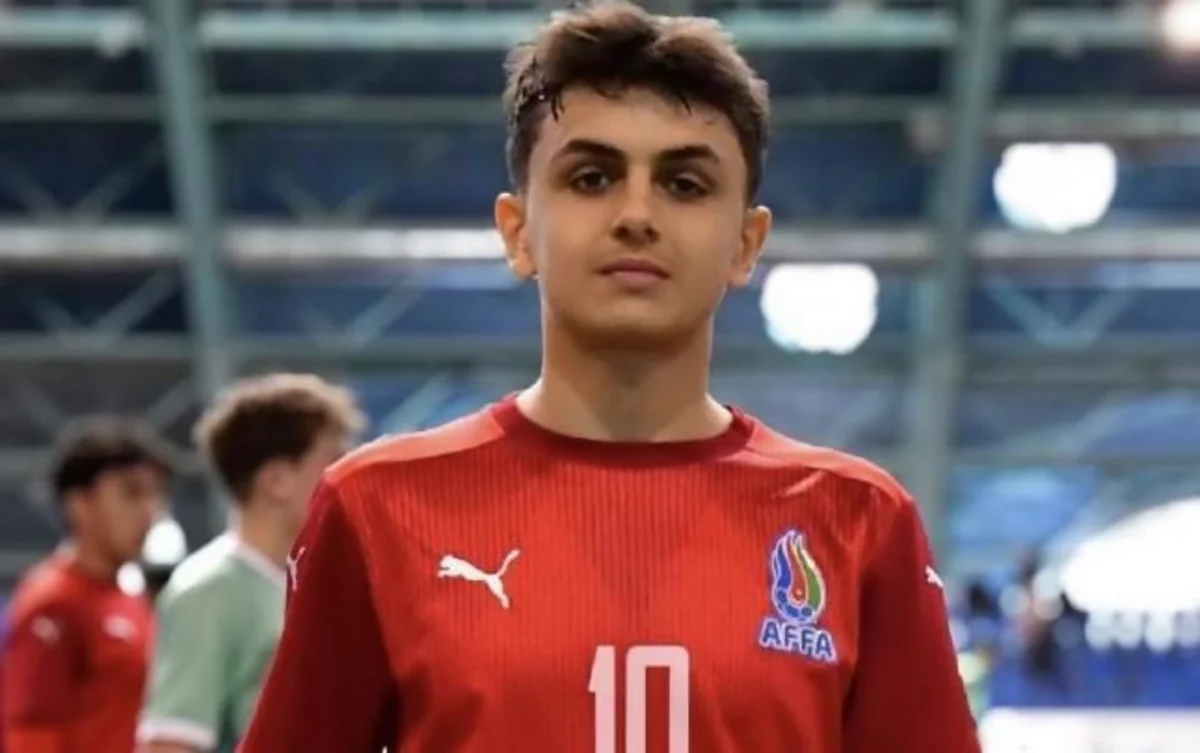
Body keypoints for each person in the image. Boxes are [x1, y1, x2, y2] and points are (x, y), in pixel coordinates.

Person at [239, 3, 980, 751]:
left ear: (745, 244)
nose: (636, 214)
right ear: (517, 231)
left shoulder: (858, 520)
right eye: (592, 177)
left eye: (684, 184)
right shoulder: (377, 508)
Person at [137, 374, 364, 753]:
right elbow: (171, 745)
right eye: (333, 463)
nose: (346, 481)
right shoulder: (208, 591)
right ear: (276, 480)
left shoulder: (310, 586)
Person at [2, 417, 173, 753]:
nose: (150, 511)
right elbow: (30, 735)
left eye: (156, 495)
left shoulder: (132, 601)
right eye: (132, 493)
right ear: (80, 503)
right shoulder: (53, 602)